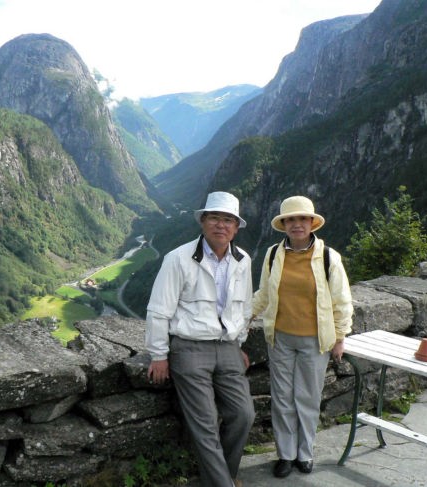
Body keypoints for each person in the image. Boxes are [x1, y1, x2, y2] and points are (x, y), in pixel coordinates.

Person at [145, 191, 255, 487]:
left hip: (228, 346)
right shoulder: (178, 259)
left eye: (228, 220)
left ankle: (222, 477)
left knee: (243, 415)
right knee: (205, 423)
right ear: (203, 222)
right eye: (215, 218)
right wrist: (159, 354)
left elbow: (244, 307)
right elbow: (159, 309)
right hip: (189, 349)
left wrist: (239, 343)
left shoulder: (243, 260)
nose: (221, 225)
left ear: (236, 227)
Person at [252, 195, 353, 479]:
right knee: (282, 398)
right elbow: (264, 293)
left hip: (315, 341)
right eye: (290, 219)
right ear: (284, 224)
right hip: (280, 338)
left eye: (302, 219)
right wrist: (243, 316)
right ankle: (285, 455)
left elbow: (341, 300)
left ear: (311, 223)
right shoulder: (273, 254)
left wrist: (340, 337)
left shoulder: (329, 257)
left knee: (307, 398)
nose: (297, 224)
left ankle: (305, 453)